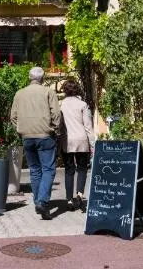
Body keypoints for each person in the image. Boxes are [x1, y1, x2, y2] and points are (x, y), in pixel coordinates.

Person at [10, 66, 61, 220]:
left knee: (34, 170)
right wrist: (55, 129)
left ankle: (37, 201)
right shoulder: (48, 92)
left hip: (26, 136)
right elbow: (56, 114)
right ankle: (43, 202)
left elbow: (13, 116)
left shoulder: (19, 93)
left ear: (29, 77)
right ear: (42, 78)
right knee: (48, 169)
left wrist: (20, 130)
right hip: (45, 135)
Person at [60, 79, 95, 210]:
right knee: (82, 169)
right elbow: (88, 126)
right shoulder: (83, 104)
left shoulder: (61, 105)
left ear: (65, 90)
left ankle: (69, 200)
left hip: (67, 141)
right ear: (77, 90)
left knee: (69, 170)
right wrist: (93, 143)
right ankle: (79, 194)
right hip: (81, 140)